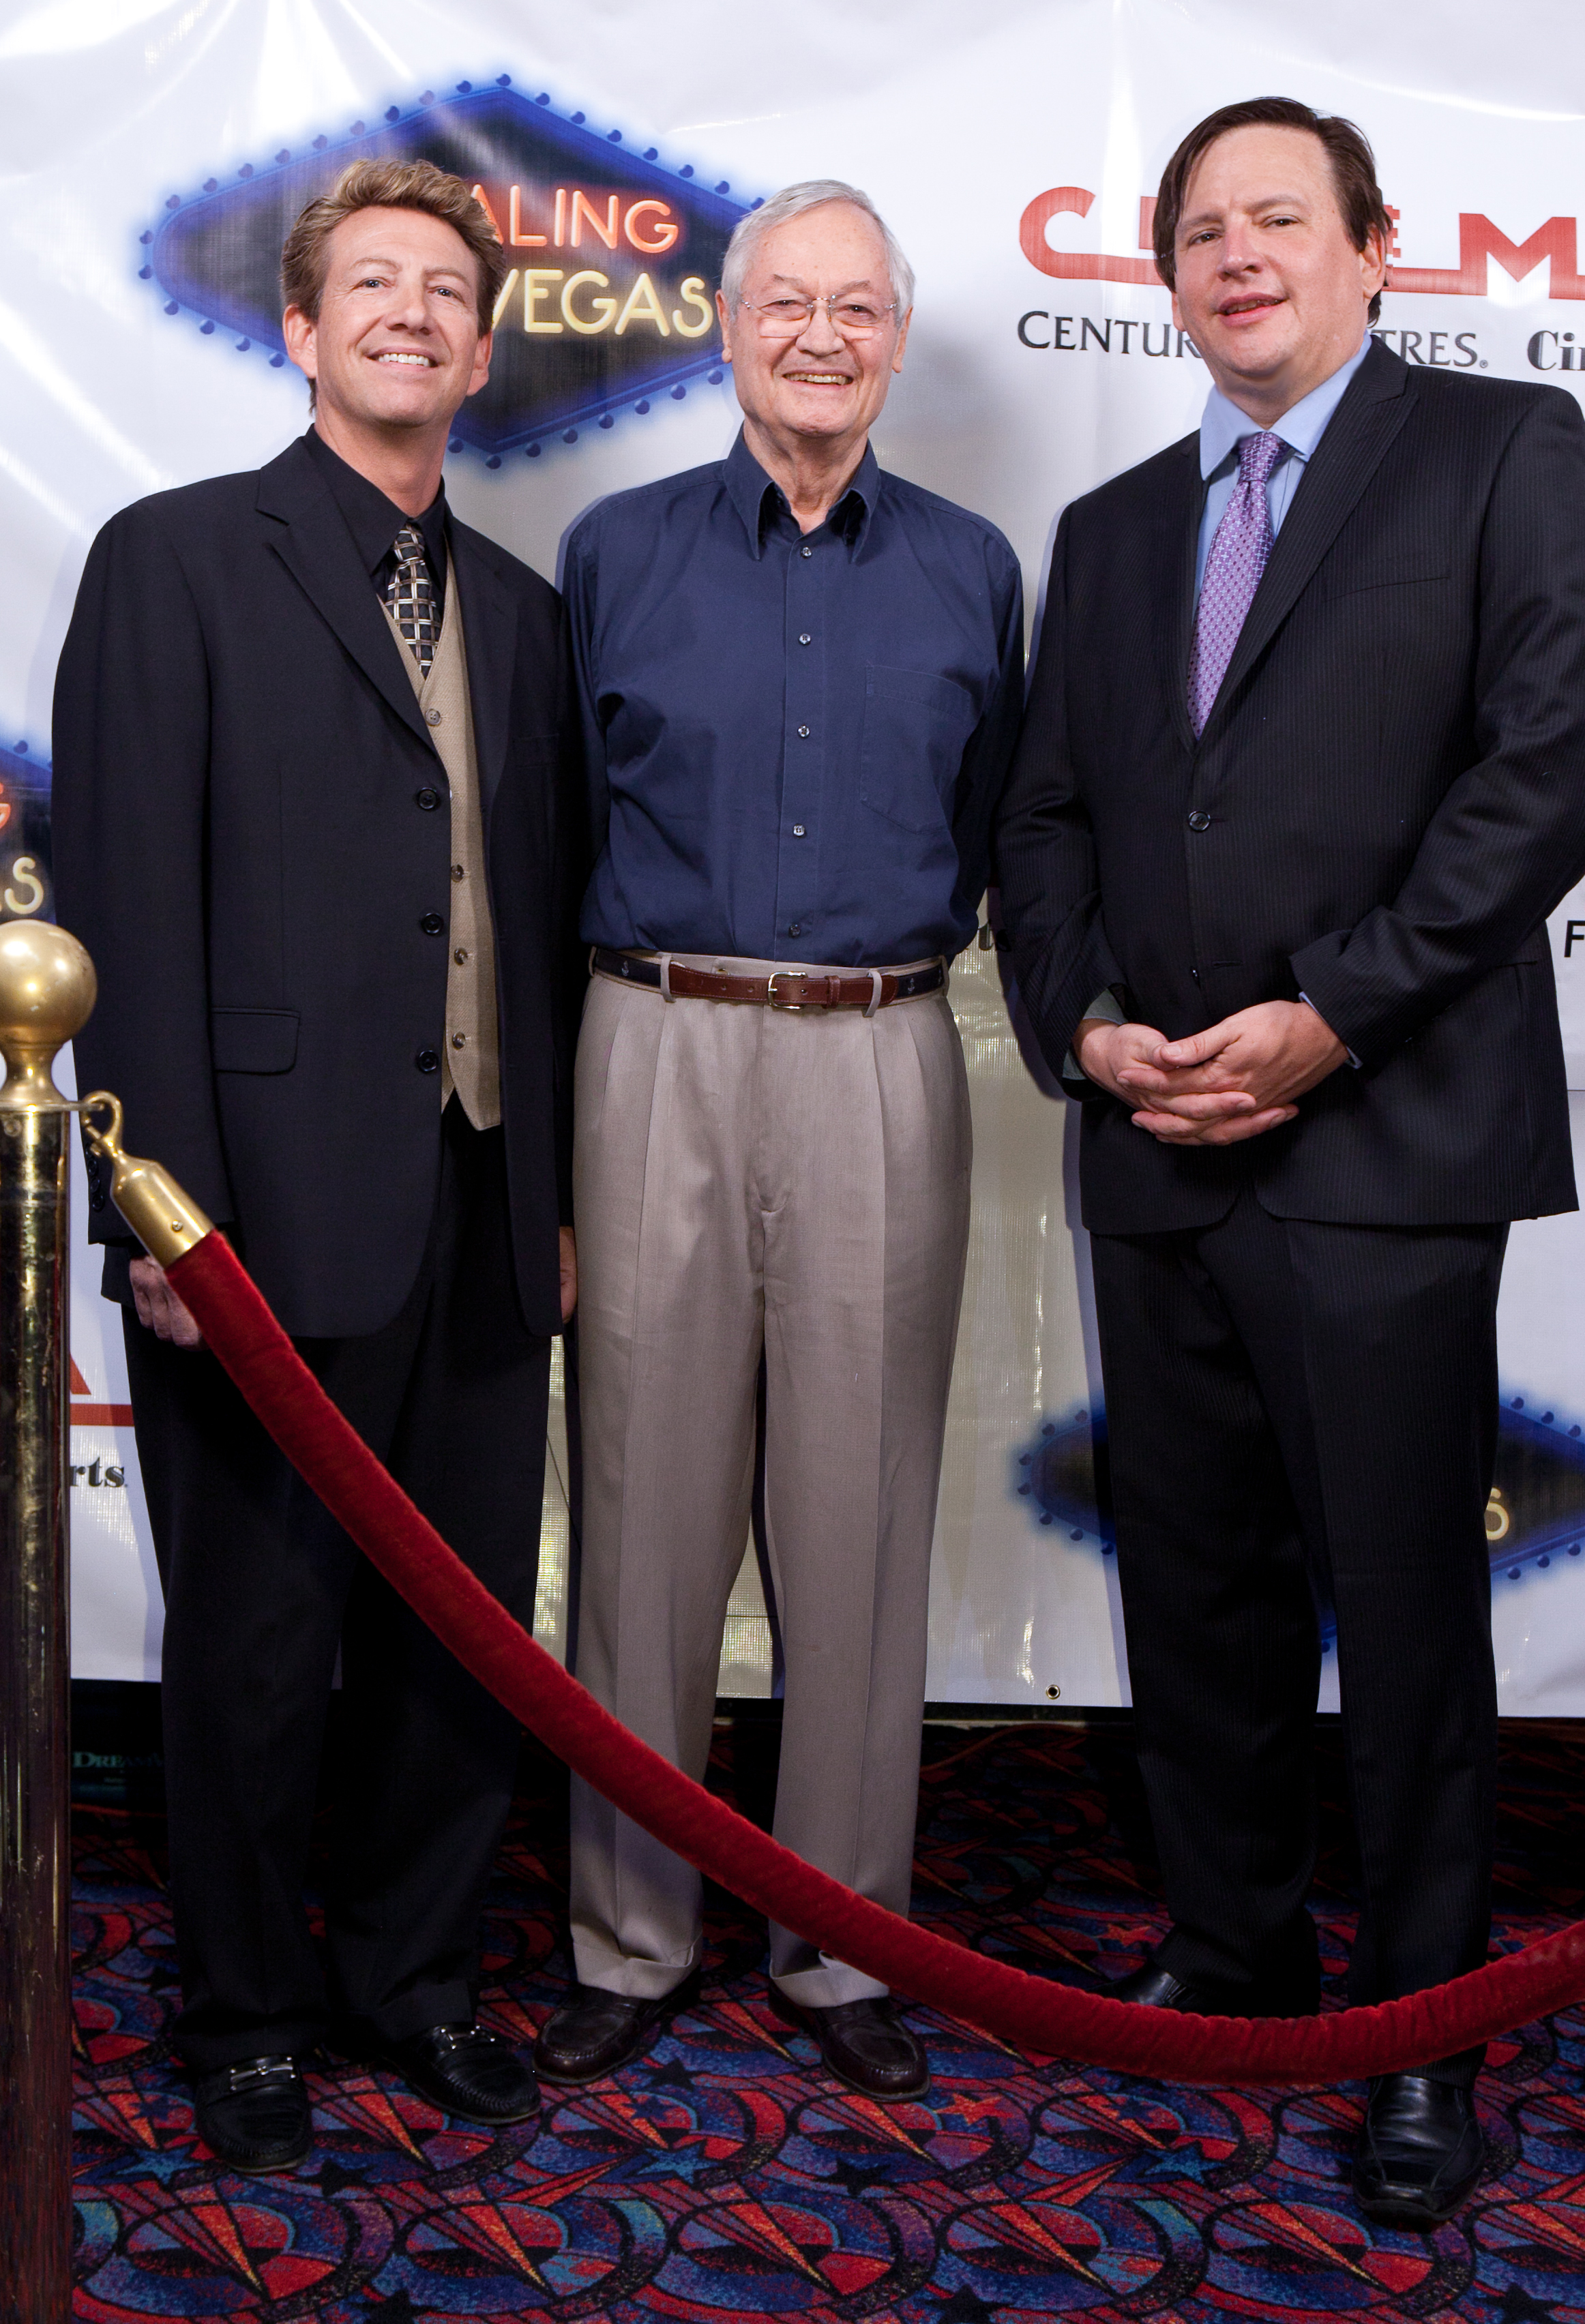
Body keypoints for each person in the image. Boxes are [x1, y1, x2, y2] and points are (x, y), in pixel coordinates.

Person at [996, 95, 1585, 2228]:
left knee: (1409, 1617)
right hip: (1153, 1144)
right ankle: (1232, 1960)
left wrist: (1329, 1012)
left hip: (1383, 1142)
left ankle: (1413, 2027)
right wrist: (1081, 1027)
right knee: (1201, 1594)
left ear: (1374, 248)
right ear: (1161, 279)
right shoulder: (1119, 527)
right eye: (1200, 231)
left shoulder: (1511, 458)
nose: (1237, 256)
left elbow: (1542, 779)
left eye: (1277, 220)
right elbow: (1044, 821)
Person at [53, 159, 584, 2174]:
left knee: (458, 1627)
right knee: (262, 1640)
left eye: (447, 291)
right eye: (372, 284)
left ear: (477, 344)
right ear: (298, 329)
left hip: (473, 1207)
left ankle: (415, 1983)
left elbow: (526, 930)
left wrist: (540, 1198)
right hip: (255, 1211)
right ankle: (249, 2012)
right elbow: (121, 904)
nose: (413, 314)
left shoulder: (522, 615)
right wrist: (157, 1207)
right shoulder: (172, 559)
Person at [534, 181, 1022, 2102]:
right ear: (724, 327)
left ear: (895, 337)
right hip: (646, 1042)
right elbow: (560, 811)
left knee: (860, 1522)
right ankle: (629, 1934)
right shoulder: (611, 552)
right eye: (784, 303)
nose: (819, 336)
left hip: (879, 1055)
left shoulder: (977, 566)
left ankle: (838, 1946)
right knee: (641, 1521)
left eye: (858, 308)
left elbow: (995, 820)